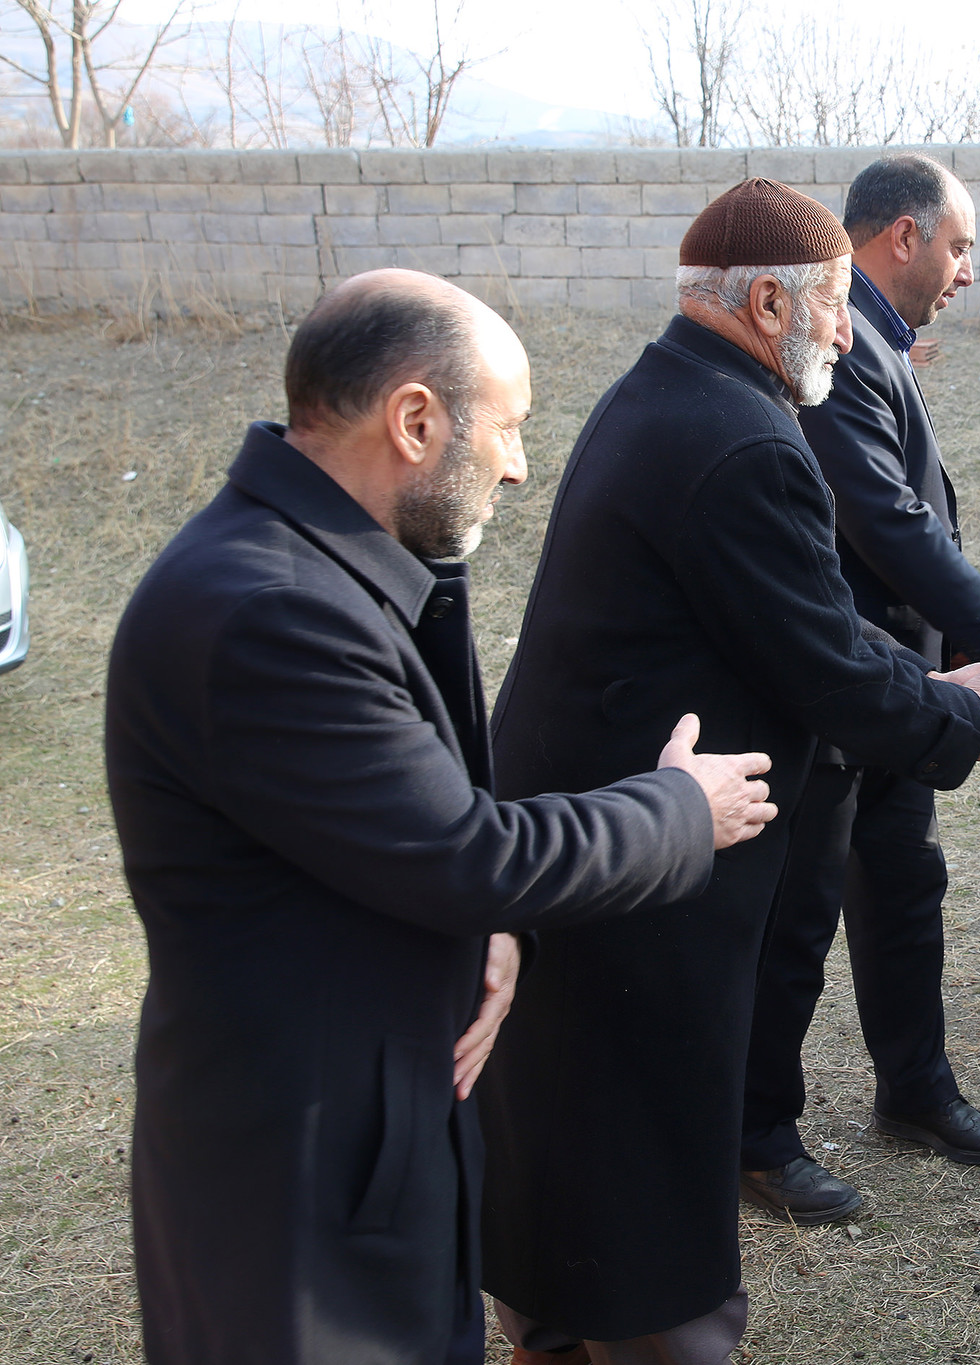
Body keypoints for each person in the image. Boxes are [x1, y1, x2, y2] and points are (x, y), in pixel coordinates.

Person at [105, 269, 778, 1365]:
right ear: (415, 420)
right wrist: (677, 810)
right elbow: (464, 852)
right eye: (507, 427)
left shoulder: (328, 571)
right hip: (297, 1187)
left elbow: (390, 832)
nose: (518, 465)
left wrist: (491, 932)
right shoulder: (271, 611)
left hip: (359, 1135)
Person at [476, 179, 980, 1365]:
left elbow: (805, 629)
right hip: (645, 851)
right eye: (834, 305)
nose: (847, 332)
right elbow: (826, 661)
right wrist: (964, 713)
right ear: (772, 303)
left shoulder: (672, 389)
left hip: (599, 828)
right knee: (642, 1144)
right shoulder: (739, 437)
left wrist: (944, 690)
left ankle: (553, 1323)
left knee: (574, 1120)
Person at [740, 153, 980, 1225]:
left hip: (906, 685)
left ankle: (914, 1087)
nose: (967, 271)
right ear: (903, 235)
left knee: (904, 888)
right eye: (958, 246)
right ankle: (758, 1134)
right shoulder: (836, 344)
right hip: (840, 686)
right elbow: (885, 521)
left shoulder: (873, 338)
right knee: (800, 914)